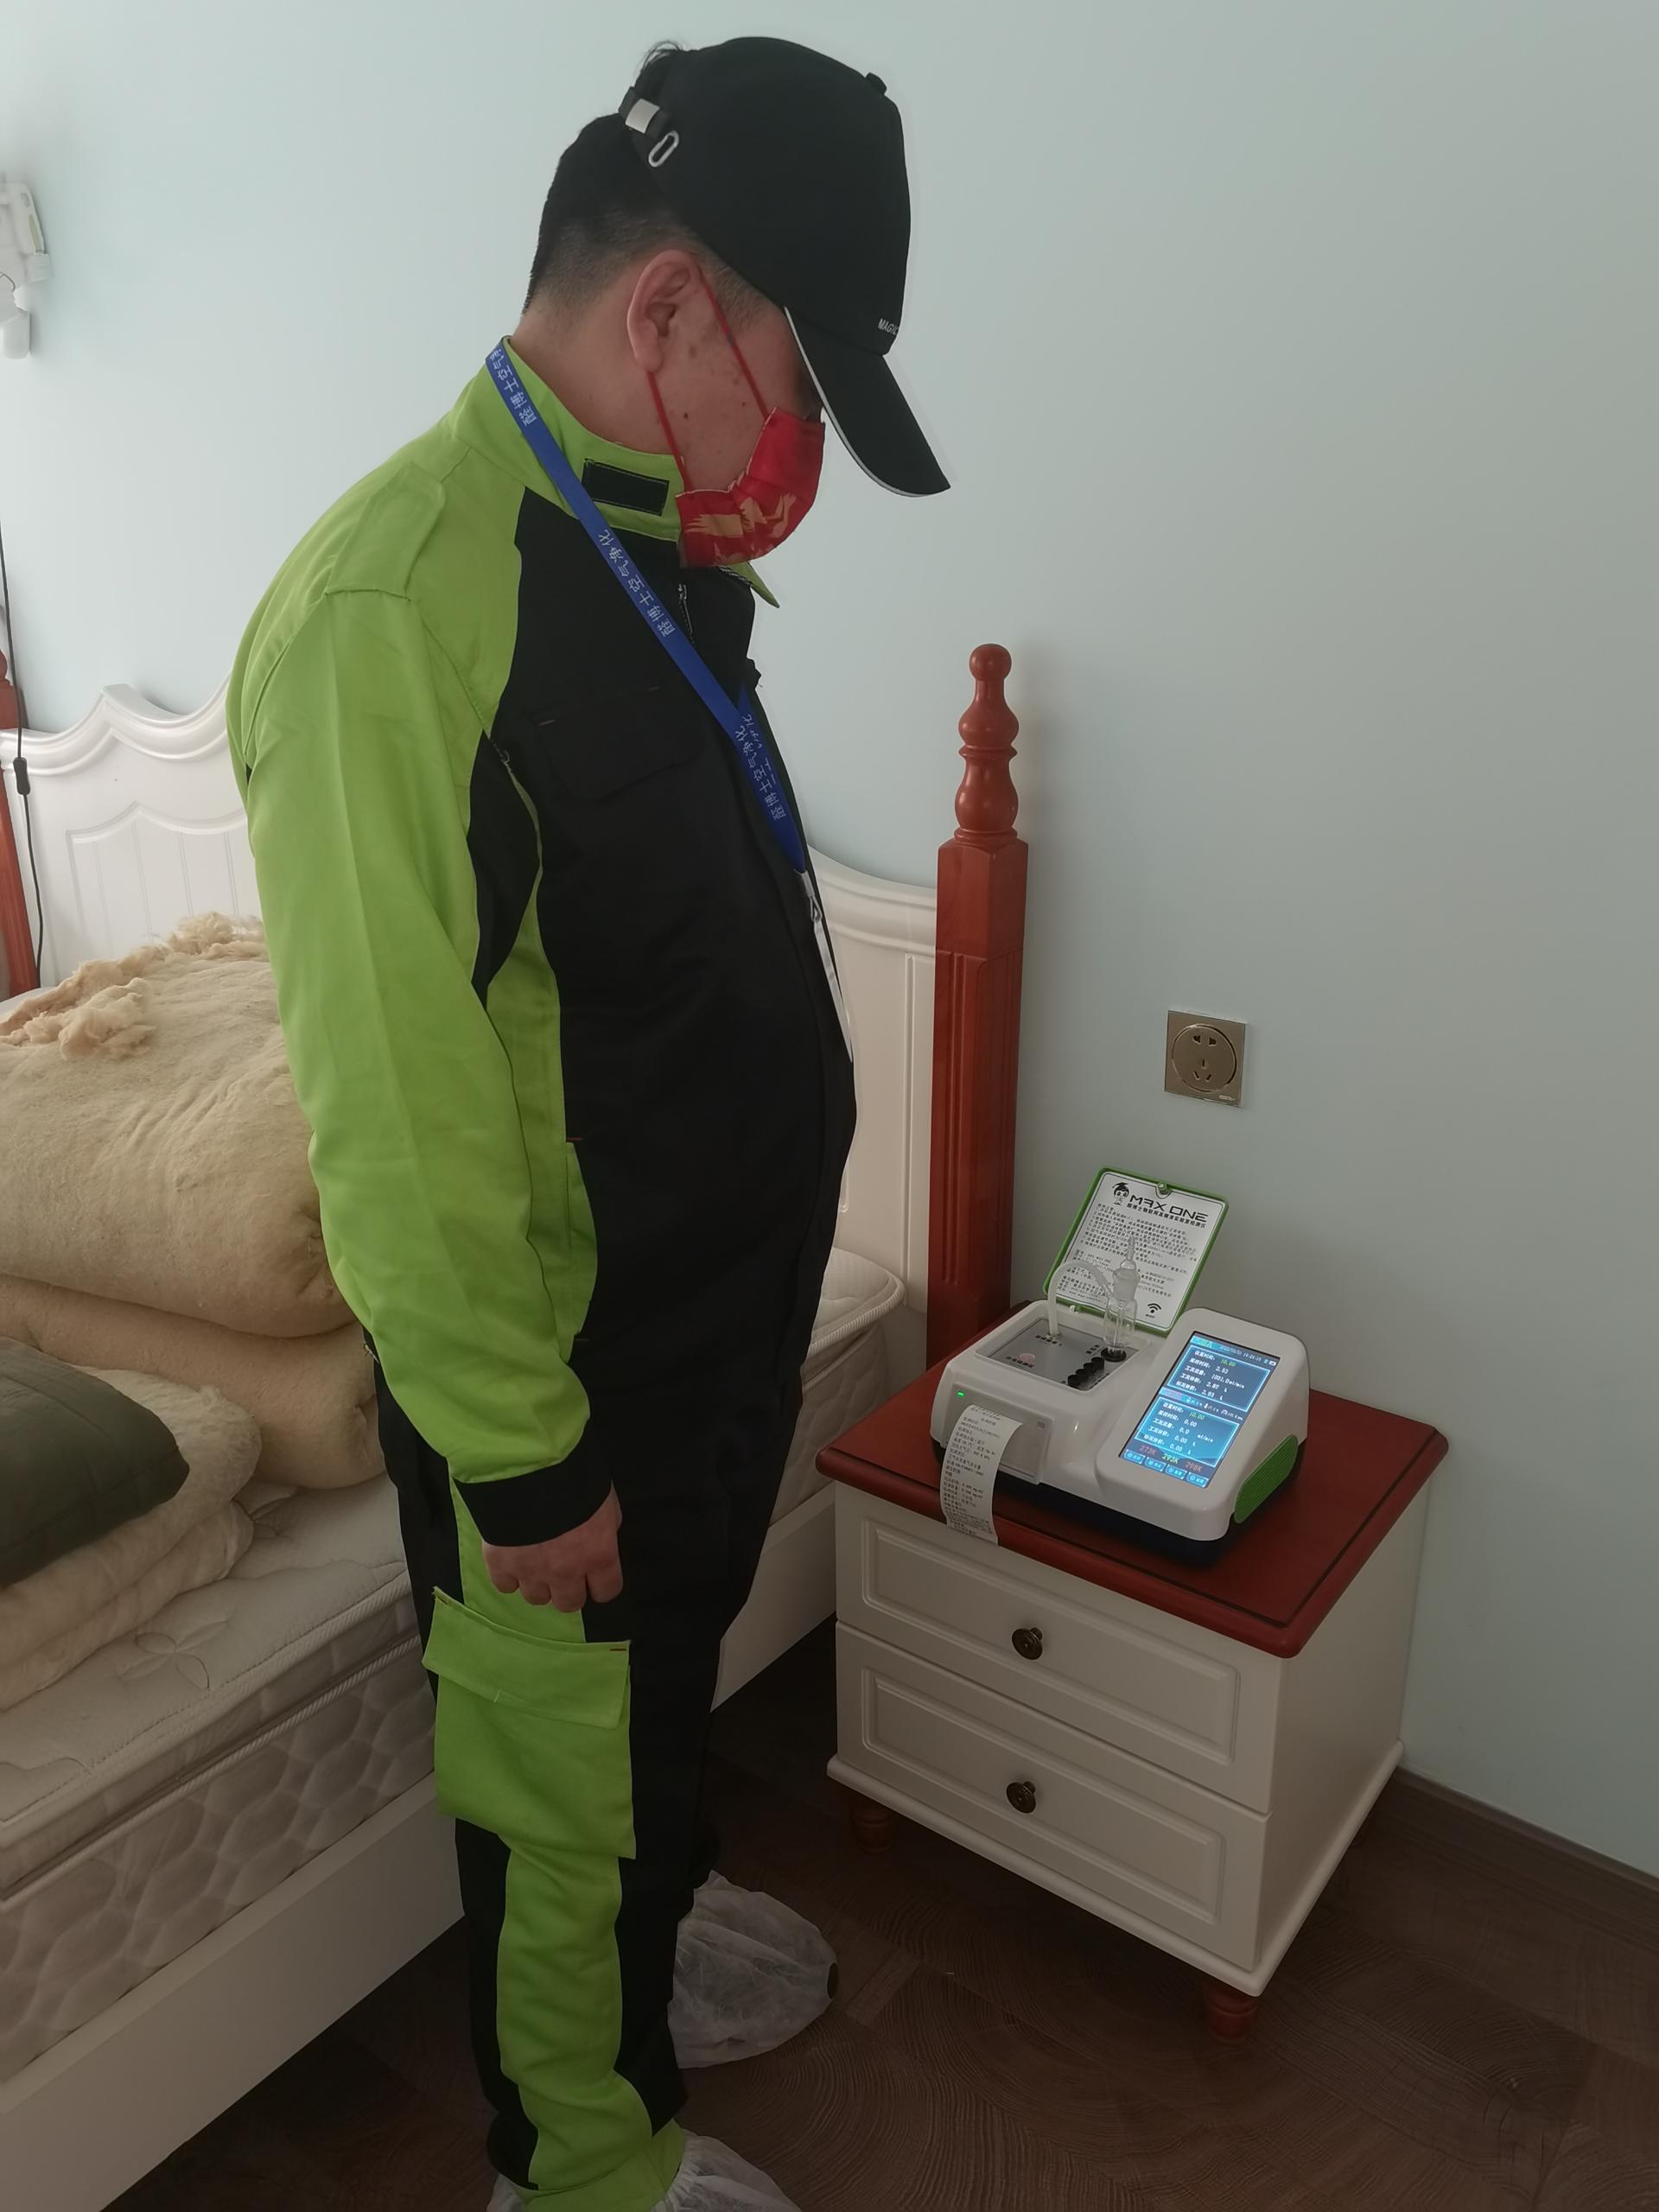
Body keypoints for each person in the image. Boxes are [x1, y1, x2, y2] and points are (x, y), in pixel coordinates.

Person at [227, 34, 946, 2212]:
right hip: (561, 1376)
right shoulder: (388, 614)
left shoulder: (634, 536)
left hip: (707, 1321)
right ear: (671, 313)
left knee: (650, 1718)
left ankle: (660, 1920)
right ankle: (583, 2156)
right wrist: (523, 1459)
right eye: (803, 386)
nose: (802, 452)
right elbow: (397, 1111)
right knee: (560, 1776)